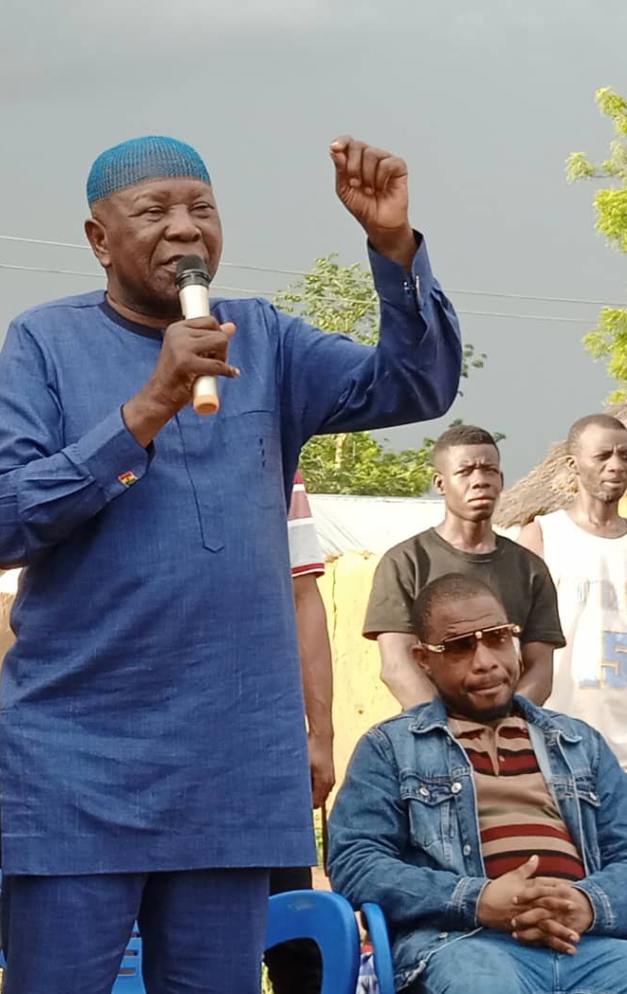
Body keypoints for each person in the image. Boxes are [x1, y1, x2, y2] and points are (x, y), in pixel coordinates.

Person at [0, 133, 462, 992]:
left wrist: (393, 249)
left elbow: (414, 388)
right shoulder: (43, 342)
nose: (183, 230)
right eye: (153, 212)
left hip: (232, 755)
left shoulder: (264, 340)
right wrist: (148, 406)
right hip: (84, 757)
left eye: (200, 208)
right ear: (98, 239)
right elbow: (3, 521)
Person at [329, 573, 627, 994]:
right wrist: (478, 900)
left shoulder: (580, 743)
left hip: (592, 945)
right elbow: (355, 861)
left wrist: (586, 904)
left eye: (498, 638)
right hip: (464, 945)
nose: (485, 660)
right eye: (459, 647)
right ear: (422, 660)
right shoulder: (390, 747)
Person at [365, 423, 563, 708]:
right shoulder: (405, 562)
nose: (480, 480)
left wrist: (504, 723)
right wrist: (450, 732)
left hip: (509, 738)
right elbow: (397, 667)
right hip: (430, 736)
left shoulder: (530, 568)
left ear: (501, 479)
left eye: (489, 470)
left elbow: (540, 669)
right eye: (465, 471)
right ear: (440, 483)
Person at [519, 413, 627, 766]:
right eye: (603, 456)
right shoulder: (542, 537)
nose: (616, 466)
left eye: (624, 455)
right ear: (573, 464)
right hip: (560, 745)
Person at [265, 471, 333, 994]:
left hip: (265, 735)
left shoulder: (278, 460)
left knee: (292, 932)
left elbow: (303, 597)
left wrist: (321, 733)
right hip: (156, 734)